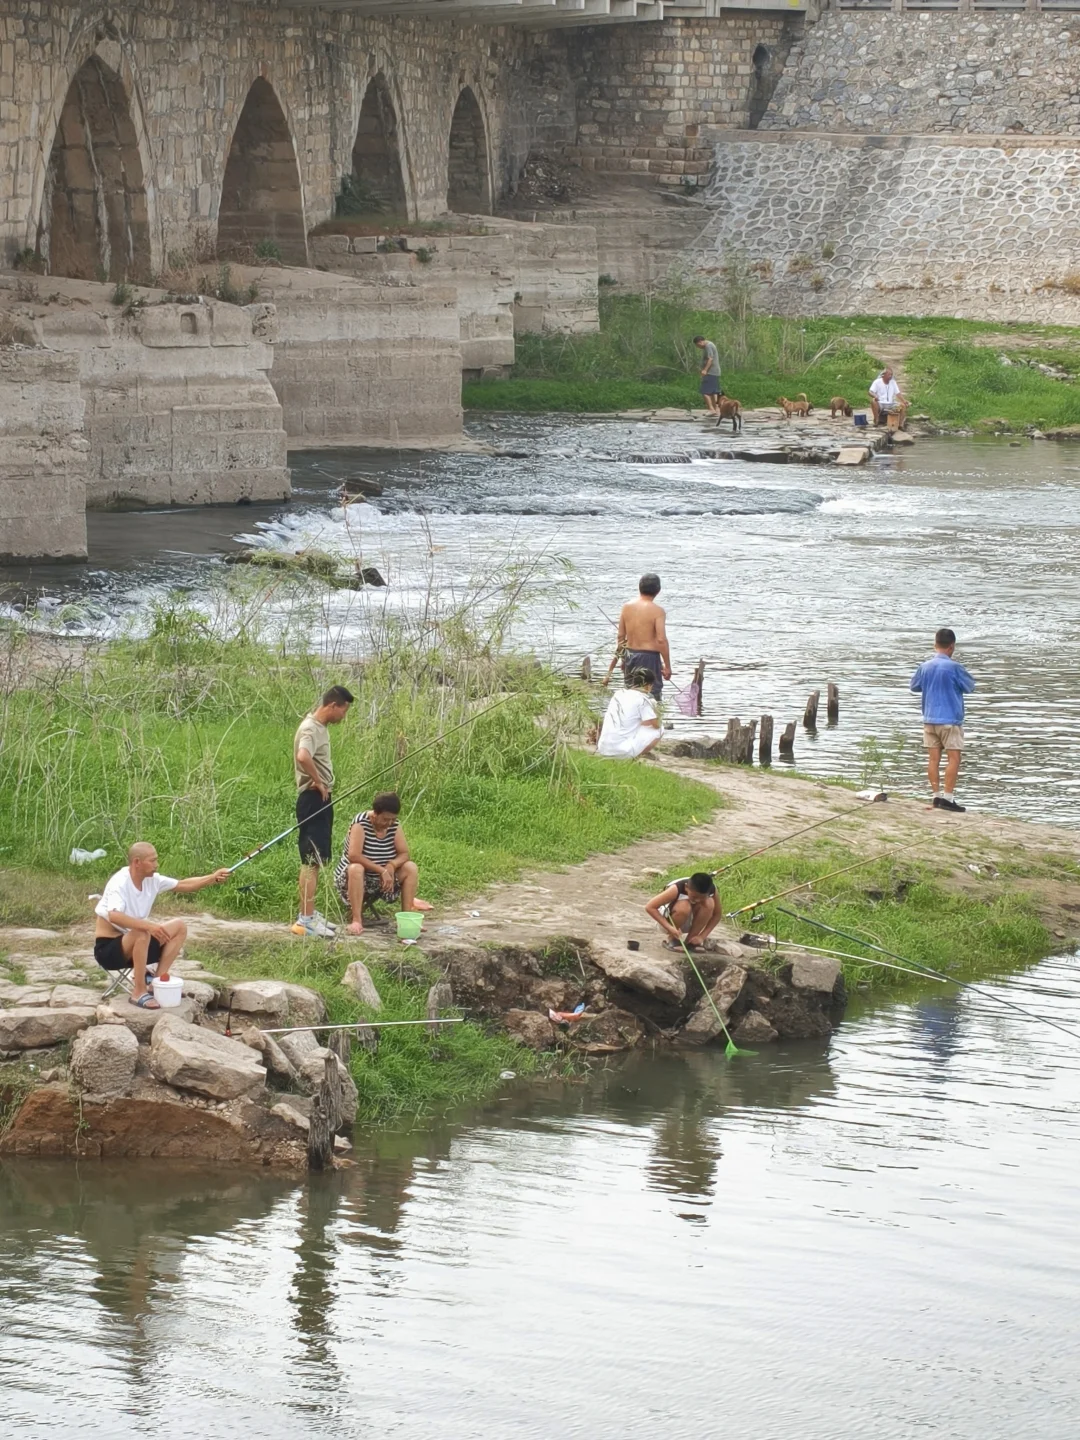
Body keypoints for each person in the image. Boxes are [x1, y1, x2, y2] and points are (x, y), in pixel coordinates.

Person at [94, 843, 231, 1009]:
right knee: (142, 932)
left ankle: (157, 983)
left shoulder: (153, 880)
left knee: (179, 926)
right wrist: (149, 926)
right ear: (137, 862)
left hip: (140, 947)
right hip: (109, 952)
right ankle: (138, 992)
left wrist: (213, 877)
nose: (156, 864)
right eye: (152, 861)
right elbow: (114, 916)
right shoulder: (120, 882)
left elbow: (183, 884)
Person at [293, 685, 355, 938]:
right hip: (312, 799)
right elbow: (303, 756)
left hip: (320, 799)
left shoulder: (320, 728)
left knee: (317, 861)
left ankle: (309, 912)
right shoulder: (310, 728)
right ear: (333, 705)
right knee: (311, 860)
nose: (344, 716)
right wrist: (318, 782)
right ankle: (305, 919)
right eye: (344, 711)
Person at [334, 791, 428, 936]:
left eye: (393, 819)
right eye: (385, 819)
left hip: (384, 879)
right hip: (358, 879)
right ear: (375, 814)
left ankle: (407, 918)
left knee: (411, 867)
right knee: (356, 868)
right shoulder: (360, 823)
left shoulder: (394, 825)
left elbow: (404, 853)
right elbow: (354, 856)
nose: (389, 823)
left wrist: (391, 865)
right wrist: (381, 870)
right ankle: (356, 920)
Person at [910, 627, 975, 813]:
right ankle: (948, 797)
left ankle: (936, 795)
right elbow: (970, 687)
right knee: (954, 758)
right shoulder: (955, 667)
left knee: (933, 759)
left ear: (935, 644)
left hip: (929, 719)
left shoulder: (924, 667)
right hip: (950, 720)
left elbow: (914, 686)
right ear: (952, 646)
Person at [603, 572, 671, 702]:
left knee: (631, 694)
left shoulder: (626, 607)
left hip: (630, 655)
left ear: (639, 587)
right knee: (652, 696)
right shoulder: (658, 611)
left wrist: (624, 659)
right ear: (658, 590)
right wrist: (667, 666)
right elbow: (661, 640)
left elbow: (621, 637)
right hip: (649, 658)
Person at [597, 667, 663, 760]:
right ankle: (637, 755)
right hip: (622, 752)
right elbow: (656, 725)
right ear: (648, 686)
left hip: (603, 749)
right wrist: (655, 708)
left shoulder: (618, 694)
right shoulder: (643, 700)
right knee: (660, 729)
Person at [645, 872, 721, 951]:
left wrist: (702, 936)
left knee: (709, 903)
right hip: (668, 923)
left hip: (691, 921)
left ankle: (691, 940)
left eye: (702, 898)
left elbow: (717, 915)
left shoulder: (712, 890)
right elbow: (650, 907)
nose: (697, 900)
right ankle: (673, 939)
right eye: (694, 897)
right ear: (686, 887)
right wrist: (670, 928)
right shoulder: (676, 888)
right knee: (683, 906)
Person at [693, 335, 722, 416]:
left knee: (705, 391)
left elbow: (710, 359)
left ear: (700, 342)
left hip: (710, 372)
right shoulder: (709, 345)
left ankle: (711, 409)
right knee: (713, 392)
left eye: (698, 345)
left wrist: (705, 370)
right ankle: (716, 409)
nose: (698, 347)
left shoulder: (708, 346)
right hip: (715, 372)